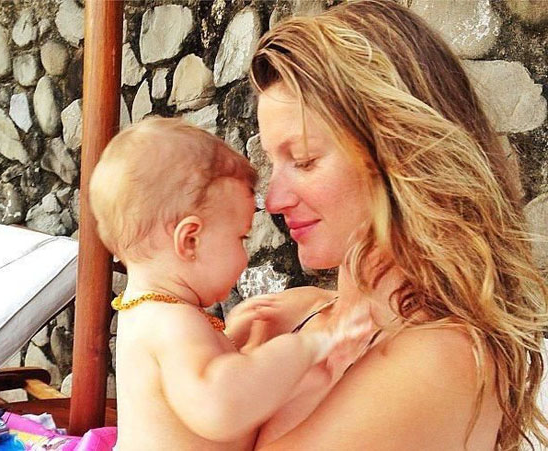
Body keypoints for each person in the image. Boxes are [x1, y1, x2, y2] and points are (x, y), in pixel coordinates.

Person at [232, 0, 548, 449]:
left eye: (303, 160)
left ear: (399, 154)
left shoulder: (440, 359)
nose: (275, 200)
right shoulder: (301, 312)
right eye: (272, 162)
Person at [88, 117, 371, 451]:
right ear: (190, 240)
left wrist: (236, 343)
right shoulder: (172, 323)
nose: (244, 255)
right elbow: (219, 408)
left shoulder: (150, 311)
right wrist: (303, 348)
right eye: (240, 238)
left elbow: (195, 391)